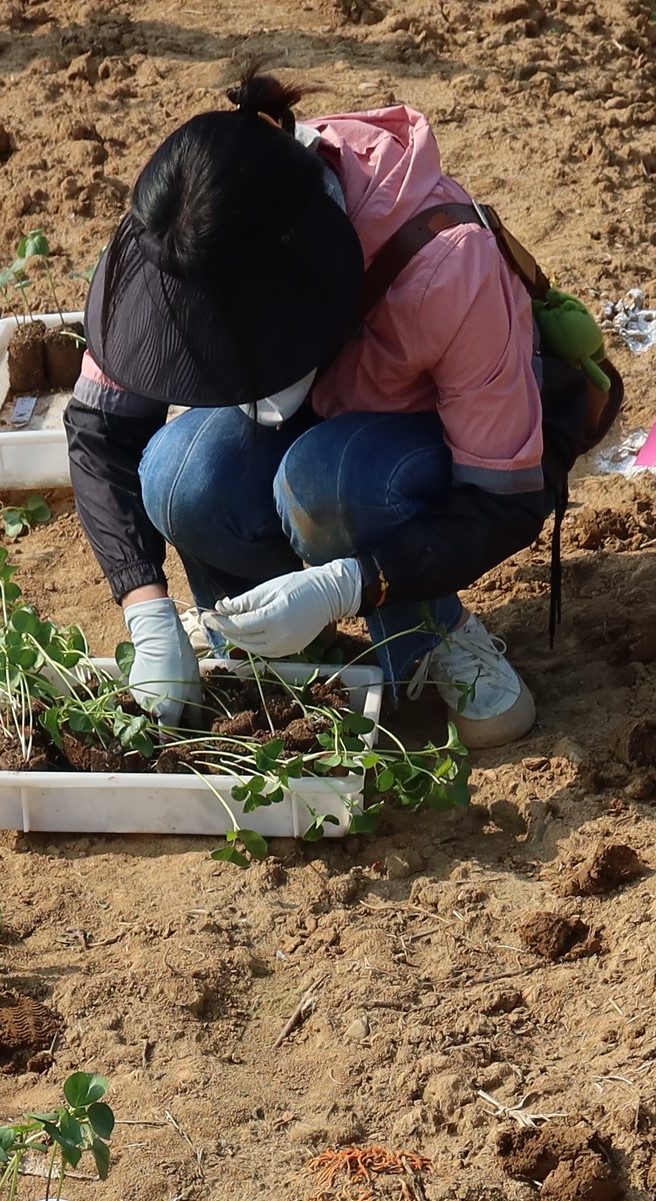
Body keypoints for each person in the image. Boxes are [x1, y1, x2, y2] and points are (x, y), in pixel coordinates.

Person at [66, 72, 593, 751]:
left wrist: (358, 581)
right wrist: (145, 606)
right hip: (299, 425)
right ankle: (252, 631)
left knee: (323, 481)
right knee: (177, 476)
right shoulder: (184, 231)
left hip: (420, 454)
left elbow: (504, 497)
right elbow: (100, 429)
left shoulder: (443, 263)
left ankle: (435, 634)